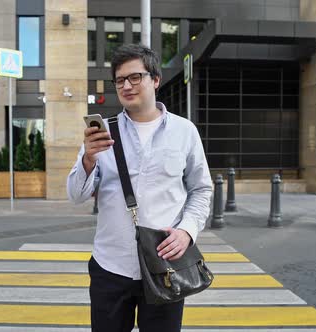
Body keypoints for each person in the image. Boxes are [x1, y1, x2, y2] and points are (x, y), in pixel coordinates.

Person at [67, 44, 212, 332]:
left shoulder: (185, 131)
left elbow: (201, 189)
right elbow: (76, 195)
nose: (127, 85)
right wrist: (88, 159)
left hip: (166, 265)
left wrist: (187, 231)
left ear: (155, 80)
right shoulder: (103, 132)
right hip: (111, 267)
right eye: (120, 80)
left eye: (135, 77)